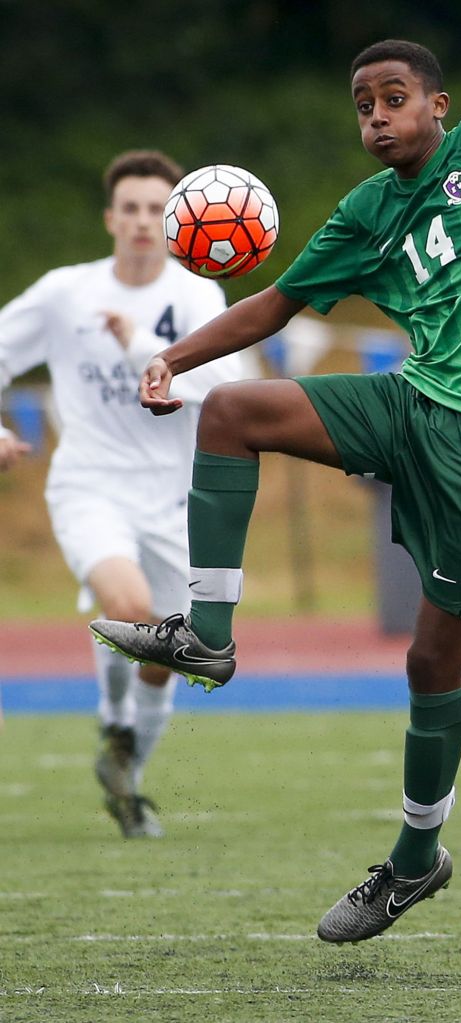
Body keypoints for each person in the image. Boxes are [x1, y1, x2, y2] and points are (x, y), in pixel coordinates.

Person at [90, 41, 461, 936]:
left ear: (439, 104)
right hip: (415, 404)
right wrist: (170, 357)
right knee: (231, 413)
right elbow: (274, 303)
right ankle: (208, 633)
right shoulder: (366, 215)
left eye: (395, 98)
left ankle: (416, 860)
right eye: (363, 106)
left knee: (431, 664)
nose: (378, 116)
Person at [0, 149, 259, 838]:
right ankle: (114, 725)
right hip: (91, 484)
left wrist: (144, 346)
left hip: (177, 499)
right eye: (133, 208)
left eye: (157, 209)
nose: (144, 221)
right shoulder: (66, 292)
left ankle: (128, 775)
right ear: (112, 217)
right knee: (131, 610)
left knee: (173, 651)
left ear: (175, 219)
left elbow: (232, 393)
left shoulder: (198, 296)